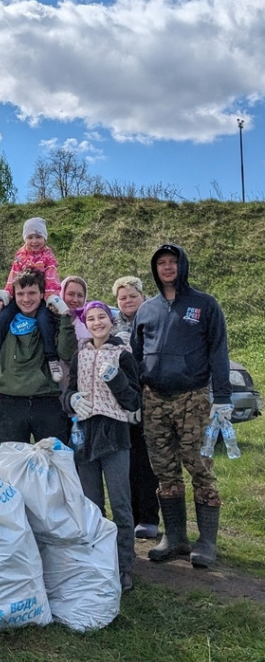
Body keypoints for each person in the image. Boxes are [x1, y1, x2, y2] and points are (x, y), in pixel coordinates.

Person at [131, 243, 232, 569]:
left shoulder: (204, 305)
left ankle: (206, 541)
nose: (168, 267)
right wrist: (134, 397)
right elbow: (134, 356)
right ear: (155, 269)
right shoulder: (147, 309)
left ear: (182, 265)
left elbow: (219, 352)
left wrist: (223, 398)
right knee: (164, 469)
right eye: (161, 262)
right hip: (154, 399)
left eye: (173, 261)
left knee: (199, 467)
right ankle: (174, 537)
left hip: (193, 399)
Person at [65, 301, 141, 592]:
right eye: (91, 319)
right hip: (85, 432)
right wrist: (71, 400)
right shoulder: (80, 354)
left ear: (110, 321)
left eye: (102, 318)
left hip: (114, 433)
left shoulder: (123, 354)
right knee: (92, 504)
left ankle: (124, 566)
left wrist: (116, 379)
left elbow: (133, 400)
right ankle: (97, 560)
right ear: (86, 323)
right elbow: (70, 389)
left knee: (121, 502)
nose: (97, 323)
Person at [0, 270, 76, 445]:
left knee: (54, 462)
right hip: (11, 402)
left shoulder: (51, 322)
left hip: (45, 400)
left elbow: (67, 353)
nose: (26, 299)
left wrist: (65, 316)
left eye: (32, 293)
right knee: (15, 466)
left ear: (42, 294)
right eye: (20, 294)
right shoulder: (3, 322)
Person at [111, 276, 160, 540]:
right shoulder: (111, 324)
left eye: (132, 296)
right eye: (122, 297)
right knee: (124, 461)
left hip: (149, 397)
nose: (127, 301)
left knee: (146, 460)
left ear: (142, 296)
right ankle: (129, 515)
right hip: (121, 398)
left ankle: (150, 516)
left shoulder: (152, 319)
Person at [0, 218, 63, 381]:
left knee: (44, 321)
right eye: (30, 237)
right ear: (25, 239)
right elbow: (12, 277)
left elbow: (51, 277)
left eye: (38, 237)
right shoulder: (20, 256)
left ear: (44, 238)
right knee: (3, 317)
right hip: (19, 296)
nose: (34, 241)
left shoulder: (48, 256)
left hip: (41, 296)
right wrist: (7, 295)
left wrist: (51, 298)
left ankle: (52, 359)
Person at [61, 275, 89, 342]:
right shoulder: (49, 321)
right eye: (71, 294)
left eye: (80, 295)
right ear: (62, 294)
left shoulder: (89, 325)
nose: (75, 300)